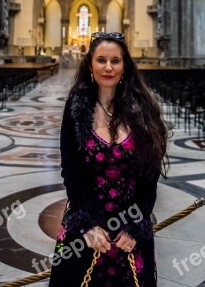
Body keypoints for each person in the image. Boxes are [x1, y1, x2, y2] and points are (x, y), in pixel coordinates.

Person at [48, 32, 167, 287]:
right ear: (90, 64)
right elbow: (70, 169)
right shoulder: (76, 108)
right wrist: (87, 224)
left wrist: (137, 223)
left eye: (116, 60)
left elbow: (150, 171)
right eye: (101, 60)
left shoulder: (142, 108)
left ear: (125, 66)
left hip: (130, 226)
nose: (108, 67)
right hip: (86, 223)